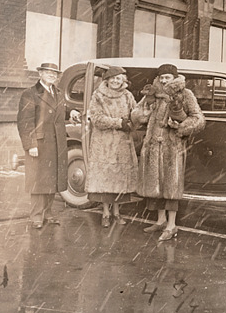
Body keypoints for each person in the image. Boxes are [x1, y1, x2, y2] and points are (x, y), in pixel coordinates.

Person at [131, 63, 205, 241]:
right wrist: (146, 109)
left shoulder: (185, 94)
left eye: (167, 77)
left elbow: (199, 119)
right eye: (162, 77)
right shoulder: (154, 93)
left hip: (172, 147)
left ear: (174, 78)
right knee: (155, 186)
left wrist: (181, 126)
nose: (164, 80)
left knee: (171, 186)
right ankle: (160, 221)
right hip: (153, 146)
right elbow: (135, 114)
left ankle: (172, 225)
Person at [17, 62, 70, 229]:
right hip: (39, 144)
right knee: (38, 182)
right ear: (40, 74)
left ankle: (48, 213)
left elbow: (59, 111)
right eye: (48, 72)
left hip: (56, 143)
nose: (51, 75)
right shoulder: (30, 94)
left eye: (54, 73)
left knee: (52, 180)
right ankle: (36, 216)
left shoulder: (58, 93)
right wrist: (30, 144)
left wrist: (72, 112)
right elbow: (25, 122)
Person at [84, 66, 138, 228]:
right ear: (107, 80)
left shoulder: (128, 96)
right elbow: (97, 118)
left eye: (119, 78)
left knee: (119, 179)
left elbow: (135, 113)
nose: (116, 81)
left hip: (122, 144)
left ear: (123, 81)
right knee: (105, 179)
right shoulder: (98, 95)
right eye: (113, 78)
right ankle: (106, 214)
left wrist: (137, 118)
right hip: (104, 143)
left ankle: (117, 212)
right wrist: (119, 123)